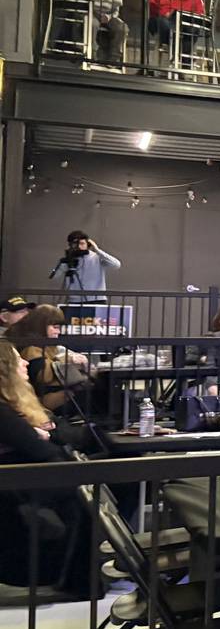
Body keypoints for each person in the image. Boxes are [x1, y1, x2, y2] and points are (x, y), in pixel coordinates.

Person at [0, 338, 90, 595]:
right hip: (16, 482)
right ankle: (79, 579)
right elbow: (40, 448)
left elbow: (53, 432)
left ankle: (81, 576)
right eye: (18, 359)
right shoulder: (3, 410)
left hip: (30, 473)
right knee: (87, 493)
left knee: (90, 487)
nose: (25, 362)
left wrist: (47, 434)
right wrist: (45, 436)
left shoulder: (18, 401)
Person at [7, 305, 88, 413]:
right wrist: (67, 360)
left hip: (51, 394)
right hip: (41, 399)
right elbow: (44, 377)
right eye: (55, 327)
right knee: (88, 391)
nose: (58, 332)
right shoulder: (31, 349)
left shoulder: (48, 346)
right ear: (41, 326)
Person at [78, 0, 128, 67]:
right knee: (92, 24)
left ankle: (113, 59)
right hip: (91, 12)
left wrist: (109, 16)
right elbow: (84, 2)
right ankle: (91, 55)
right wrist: (97, 15)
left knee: (122, 27)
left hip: (109, 15)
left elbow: (116, 8)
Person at [49, 230, 120, 297]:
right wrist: (66, 262)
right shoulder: (69, 259)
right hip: (74, 299)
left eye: (82, 243)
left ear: (88, 244)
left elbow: (116, 265)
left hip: (96, 299)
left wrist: (97, 250)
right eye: (75, 244)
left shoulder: (97, 257)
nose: (79, 247)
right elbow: (54, 277)